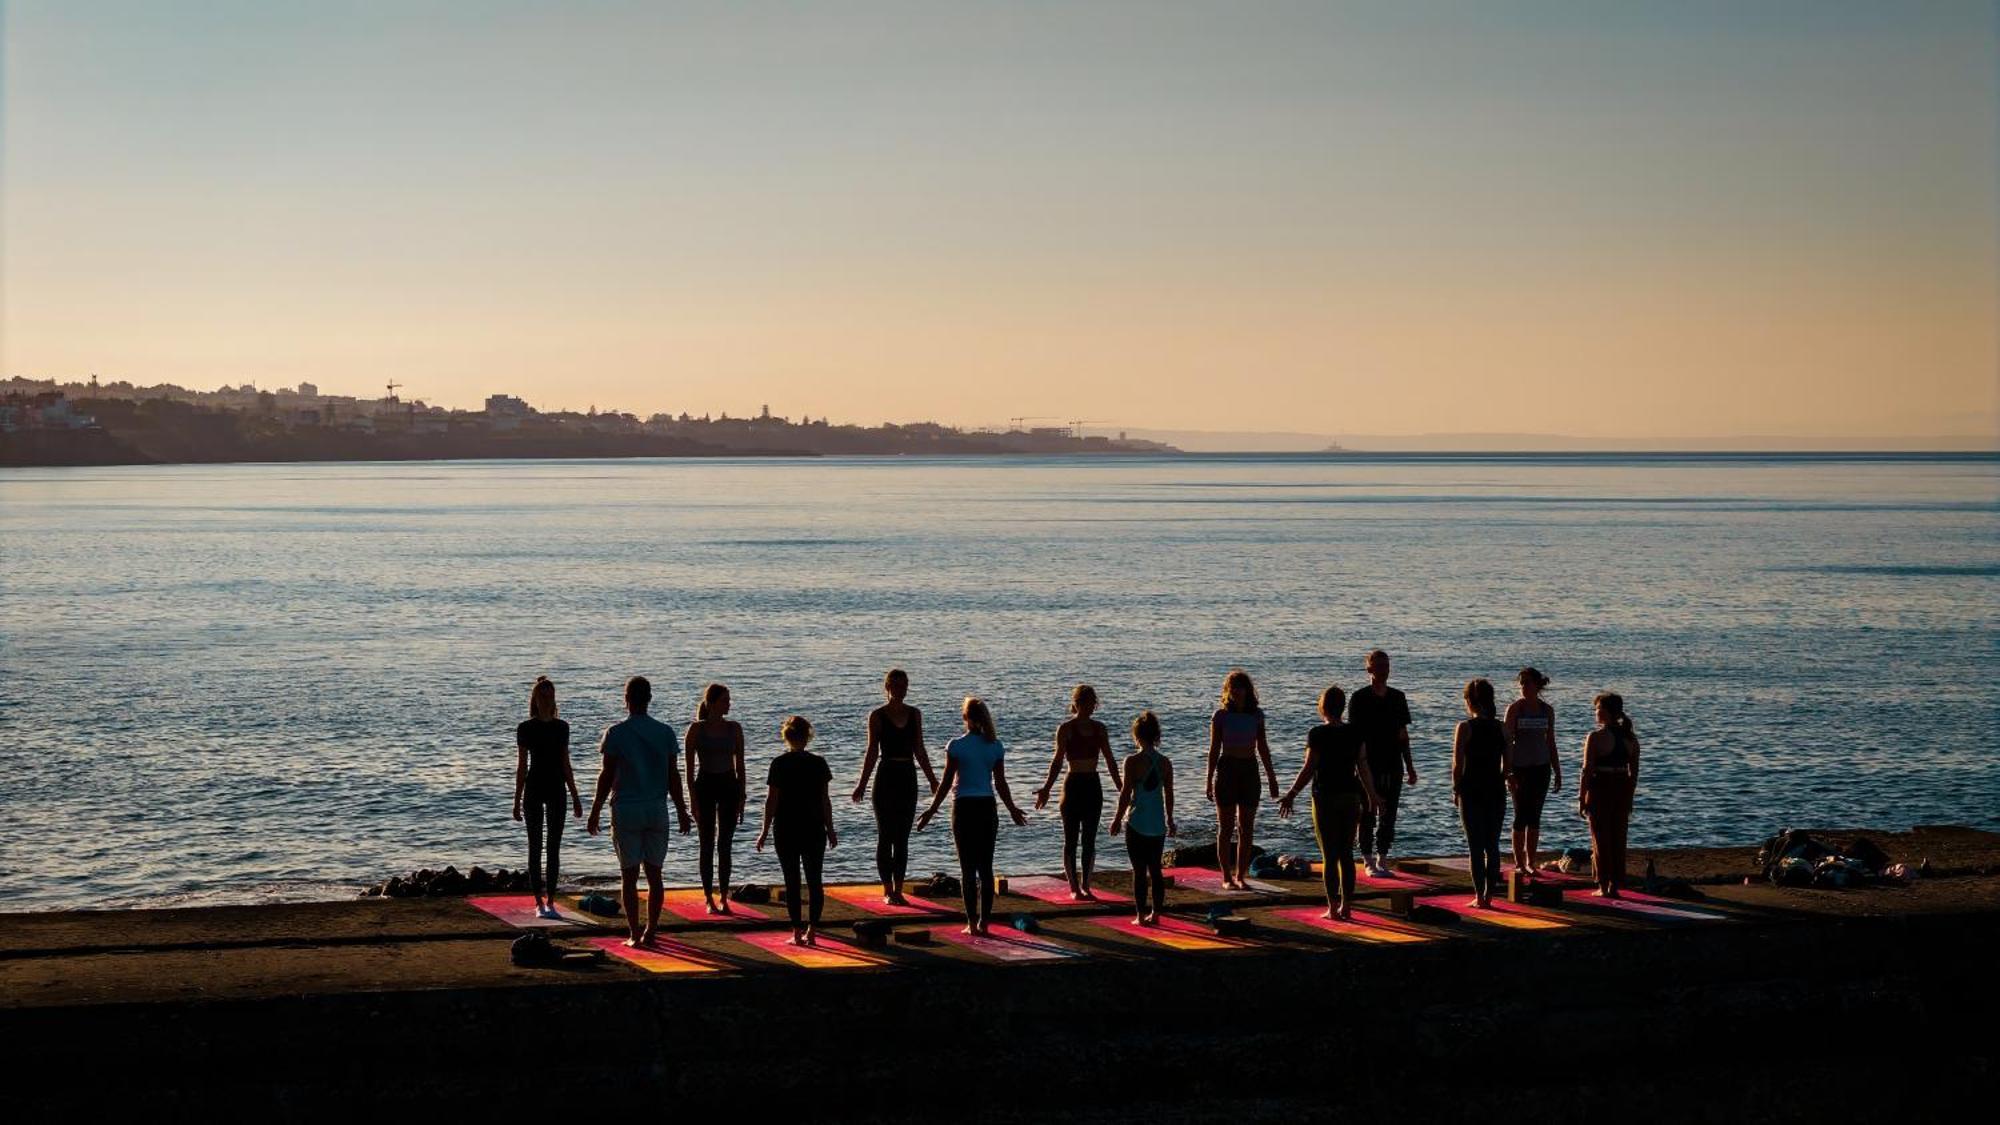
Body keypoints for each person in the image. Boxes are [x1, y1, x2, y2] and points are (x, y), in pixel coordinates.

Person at [587, 677, 693, 947]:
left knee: (629, 876)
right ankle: (651, 931)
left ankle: (634, 934)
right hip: (657, 808)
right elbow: (673, 776)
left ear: (626, 699)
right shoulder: (666, 732)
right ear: (649, 698)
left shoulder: (616, 733)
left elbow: (607, 775)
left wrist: (596, 808)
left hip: (626, 809)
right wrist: (682, 809)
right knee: (655, 874)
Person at [916, 697, 1028, 935]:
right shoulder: (995, 746)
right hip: (987, 807)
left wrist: (931, 810)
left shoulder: (956, 746)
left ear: (965, 718)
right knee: (985, 868)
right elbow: (1000, 784)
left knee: (968, 869)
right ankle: (984, 923)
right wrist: (1012, 809)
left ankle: (971, 923)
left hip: (964, 808)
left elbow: (946, 783)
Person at [1277, 685, 1380, 920]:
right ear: (1342, 707)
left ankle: (1332, 908)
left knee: (1330, 857)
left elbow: (1309, 767)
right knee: (1346, 855)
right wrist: (1372, 795)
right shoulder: (1355, 733)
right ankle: (1347, 907)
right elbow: (1363, 767)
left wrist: (1292, 793)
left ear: (1322, 707)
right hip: (1350, 797)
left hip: (1324, 797)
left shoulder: (1317, 734)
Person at [851, 669, 940, 905]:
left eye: (904, 686)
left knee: (902, 837)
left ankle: (899, 889)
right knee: (885, 835)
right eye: (897, 686)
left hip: (907, 775)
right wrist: (861, 784)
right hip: (886, 776)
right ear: (888, 687)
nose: (901, 690)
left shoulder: (915, 714)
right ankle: (887, 889)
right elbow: (872, 752)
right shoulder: (877, 716)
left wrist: (932, 779)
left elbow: (919, 749)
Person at [1033, 684, 1123, 900]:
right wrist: (1046, 788)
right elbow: (1056, 762)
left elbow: (1110, 760)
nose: (1091, 706)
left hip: (1092, 783)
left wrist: (1122, 788)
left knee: (1090, 838)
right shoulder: (1065, 729)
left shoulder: (1100, 728)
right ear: (1077, 704)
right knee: (1071, 838)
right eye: (1087, 702)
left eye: (1093, 702)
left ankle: (1086, 885)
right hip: (1072, 784)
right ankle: (1074, 887)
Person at [756, 716, 838, 945]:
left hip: (786, 827)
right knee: (814, 880)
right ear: (807, 735)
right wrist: (830, 828)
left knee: (791, 881)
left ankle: (796, 932)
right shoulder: (819, 763)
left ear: (786, 736)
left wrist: (763, 831)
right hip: (813, 827)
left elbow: (771, 801)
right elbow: (825, 800)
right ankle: (812, 930)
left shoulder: (779, 764)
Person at [512, 676, 583, 919]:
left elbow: (565, 763)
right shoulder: (526, 728)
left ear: (554, 698)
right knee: (535, 846)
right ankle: (538, 900)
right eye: (542, 695)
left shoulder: (562, 727)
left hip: (556, 788)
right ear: (535, 699)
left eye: (550, 695)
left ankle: (551, 899)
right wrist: (516, 799)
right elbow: (522, 766)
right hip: (533, 787)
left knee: (554, 846)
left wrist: (575, 795)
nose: (546, 699)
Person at [1205, 669, 1279, 890]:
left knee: (1246, 827)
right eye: (1233, 687)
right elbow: (1213, 749)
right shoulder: (1221, 716)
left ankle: (1241, 875)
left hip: (1249, 770)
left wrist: (1272, 778)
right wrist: (1208, 779)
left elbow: (1263, 748)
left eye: (1241, 687)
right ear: (1228, 691)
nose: (1237, 691)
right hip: (1227, 769)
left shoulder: (1256, 716)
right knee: (1226, 827)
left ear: (1247, 690)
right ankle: (1226, 877)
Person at [1351, 650, 1418, 877]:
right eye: (1378, 666)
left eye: (1386, 665)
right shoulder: (1359, 698)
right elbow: (1354, 736)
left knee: (1389, 813)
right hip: (1368, 764)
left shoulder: (1397, 698)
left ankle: (1382, 857)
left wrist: (1410, 766)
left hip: (1393, 763)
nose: (1383, 670)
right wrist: (1355, 766)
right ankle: (1368, 859)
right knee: (1368, 811)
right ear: (1369, 669)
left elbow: (1403, 735)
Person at [684, 683, 746, 914]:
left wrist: (742, 796)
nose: (729, 704)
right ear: (711, 703)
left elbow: (740, 766)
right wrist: (692, 799)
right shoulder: (696, 730)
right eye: (725, 700)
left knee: (725, 844)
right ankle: (708, 896)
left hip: (729, 785)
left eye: (729, 700)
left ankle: (724, 896)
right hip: (705, 786)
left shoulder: (734, 728)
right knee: (707, 843)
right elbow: (689, 771)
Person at [1109, 710, 1176, 925]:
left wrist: (1117, 819)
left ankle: (1139, 915)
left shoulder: (1132, 761)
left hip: (1137, 822)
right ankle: (1156, 913)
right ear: (1157, 735)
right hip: (1157, 823)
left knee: (1139, 871)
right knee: (1156, 870)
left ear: (1136, 735)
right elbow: (1169, 795)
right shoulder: (1166, 763)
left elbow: (1125, 794)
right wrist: (1170, 819)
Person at [1452, 679, 1510, 908]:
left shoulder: (1465, 728)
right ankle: (1490, 894)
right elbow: (1508, 766)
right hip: (1495, 789)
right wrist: (1501, 781)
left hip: (1471, 789)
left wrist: (1456, 789)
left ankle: (1480, 897)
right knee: (1492, 844)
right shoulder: (1502, 728)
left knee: (1475, 846)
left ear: (1469, 701)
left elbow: (1457, 765)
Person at [1578, 693, 1640, 898]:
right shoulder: (1631, 739)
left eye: (1597, 708)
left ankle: (1603, 885)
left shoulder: (1595, 737)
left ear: (1604, 712)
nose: (1595, 712)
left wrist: (1581, 798)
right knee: (1618, 837)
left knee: (1600, 838)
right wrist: (1629, 797)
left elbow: (1587, 770)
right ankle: (1615, 883)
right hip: (1621, 788)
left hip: (1601, 788)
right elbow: (1634, 774)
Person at [1504, 667, 1561, 878]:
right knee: (1520, 814)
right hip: (1519, 768)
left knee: (1535, 816)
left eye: (1527, 682)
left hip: (1541, 767)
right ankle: (1519, 862)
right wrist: (1507, 771)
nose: (1523, 687)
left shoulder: (1547, 711)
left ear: (1537, 685)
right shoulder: (1515, 709)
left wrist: (1557, 770)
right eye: (1521, 683)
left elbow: (1551, 741)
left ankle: (1531, 862)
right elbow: (1506, 741)